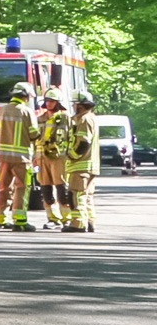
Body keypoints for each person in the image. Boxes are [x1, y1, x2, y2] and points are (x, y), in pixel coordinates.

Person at [0, 82, 38, 230]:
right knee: (22, 188)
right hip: (22, 159)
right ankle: (20, 221)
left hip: (3, 158)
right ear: (25, 97)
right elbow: (34, 134)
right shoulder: (27, 112)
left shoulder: (0, 111)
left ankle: (0, 219)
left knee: (3, 187)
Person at [36, 90, 72, 229]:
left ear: (58, 103)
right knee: (45, 188)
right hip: (42, 158)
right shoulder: (40, 119)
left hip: (60, 158)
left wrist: (71, 155)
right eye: (47, 101)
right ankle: (52, 218)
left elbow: (71, 137)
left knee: (62, 187)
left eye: (52, 101)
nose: (49, 103)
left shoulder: (65, 118)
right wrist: (35, 157)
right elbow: (36, 140)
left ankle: (66, 218)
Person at [66, 92, 101, 232]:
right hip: (90, 165)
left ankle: (78, 224)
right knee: (87, 196)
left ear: (81, 105)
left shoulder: (84, 119)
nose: (74, 106)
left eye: (75, 104)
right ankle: (90, 222)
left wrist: (72, 156)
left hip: (81, 165)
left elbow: (83, 143)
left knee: (76, 194)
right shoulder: (92, 118)